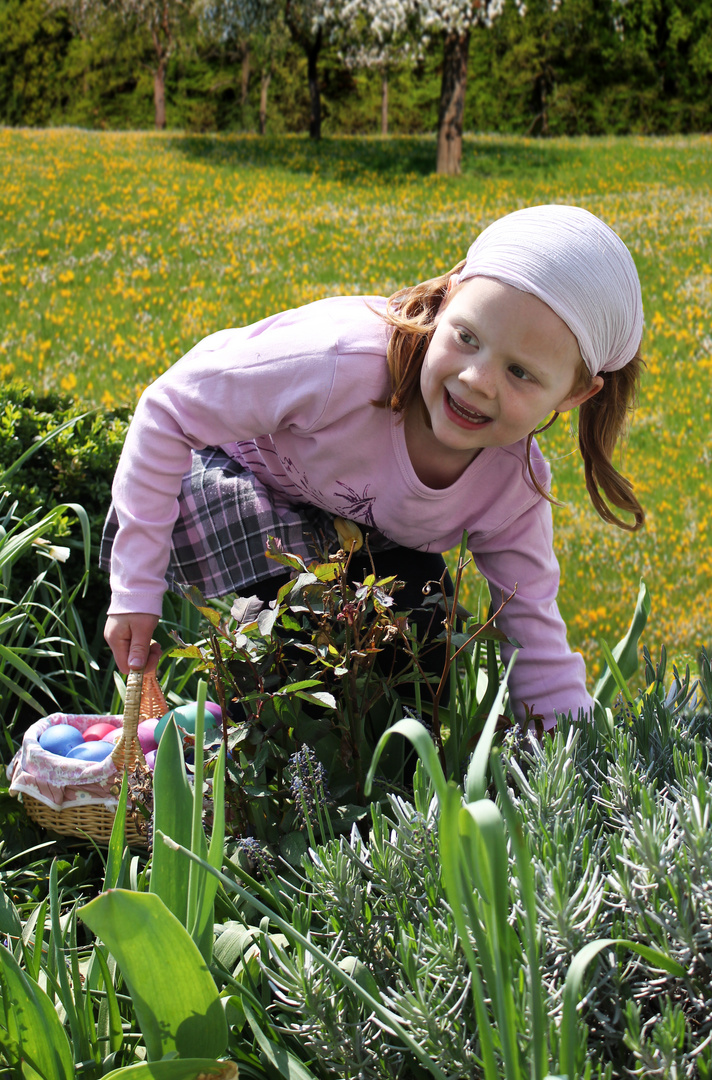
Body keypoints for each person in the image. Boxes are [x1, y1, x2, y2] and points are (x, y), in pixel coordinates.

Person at [100, 203, 644, 731]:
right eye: (467, 337)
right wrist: (136, 591)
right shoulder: (338, 364)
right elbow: (167, 409)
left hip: (361, 534)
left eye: (521, 372)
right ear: (451, 291)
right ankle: (231, 754)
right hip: (245, 487)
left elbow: (532, 630)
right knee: (295, 631)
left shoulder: (510, 486)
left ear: (575, 393)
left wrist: (575, 748)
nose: (478, 380)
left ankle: (386, 793)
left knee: (423, 632)